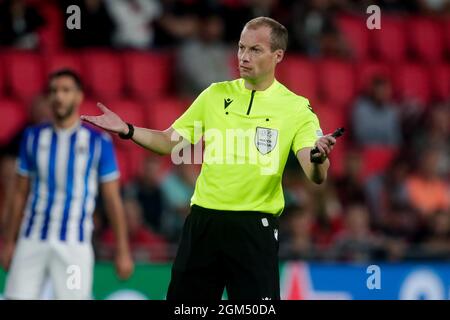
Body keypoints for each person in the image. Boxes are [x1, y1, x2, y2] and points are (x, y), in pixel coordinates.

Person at [81, 17, 338, 300]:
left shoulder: (297, 108)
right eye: (241, 47)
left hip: (254, 229)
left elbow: (315, 172)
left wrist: (317, 156)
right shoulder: (214, 95)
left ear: (278, 56)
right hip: (204, 223)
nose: (243, 57)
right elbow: (169, 142)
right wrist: (127, 129)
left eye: (255, 50)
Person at [0, 69, 134, 300]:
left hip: (74, 244)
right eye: (53, 91)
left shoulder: (97, 142)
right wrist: (10, 242)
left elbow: (112, 199)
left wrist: (122, 250)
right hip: (32, 239)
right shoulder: (32, 137)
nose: (58, 96)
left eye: (65, 90)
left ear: (79, 96)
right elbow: (19, 194)